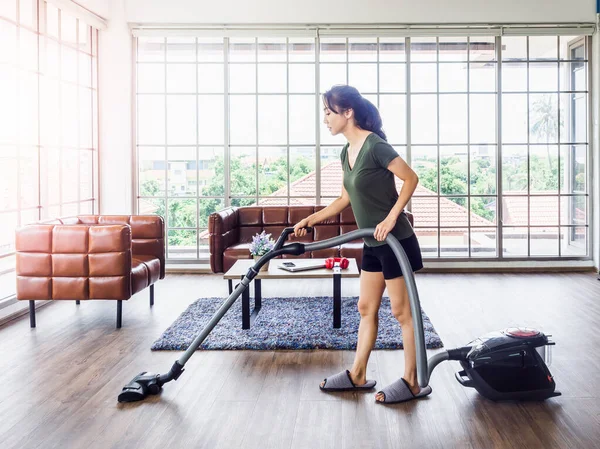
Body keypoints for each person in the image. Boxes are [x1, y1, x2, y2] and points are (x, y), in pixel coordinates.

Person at [293, 85, 431, 404]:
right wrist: (311, 219)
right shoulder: (347, 152)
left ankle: (412, 381)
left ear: (347, 113)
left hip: (396, 240)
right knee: (366, 308)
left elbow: (411, 178)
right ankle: (357, 374)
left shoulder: (375, 146)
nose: (325, 119)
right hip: (373, 242)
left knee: (402, 312)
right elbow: (344, 198)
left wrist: (391, 218)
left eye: (329, 112)